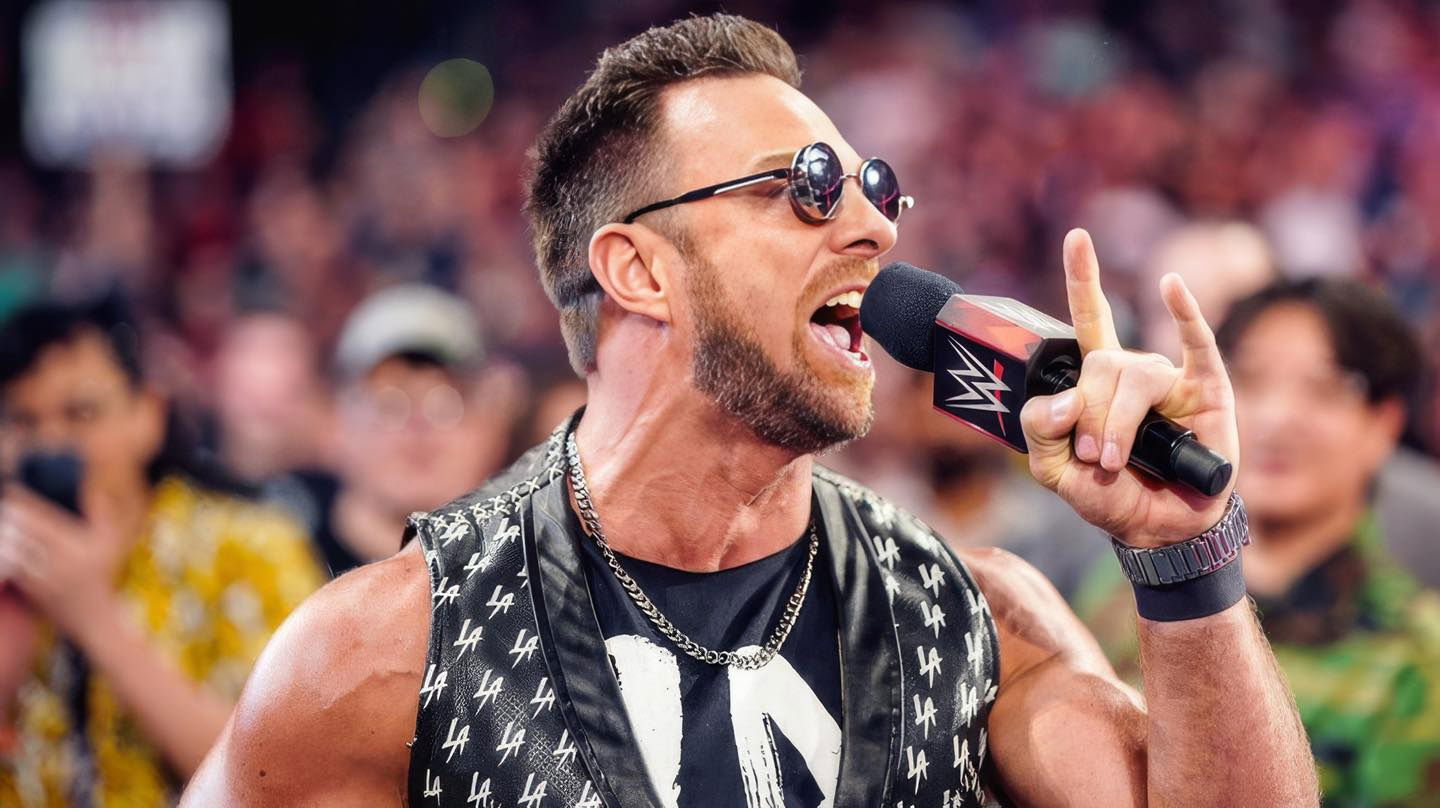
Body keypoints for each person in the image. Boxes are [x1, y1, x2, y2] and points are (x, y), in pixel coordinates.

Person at [182, 15, 1314, 807]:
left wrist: (1186, 558)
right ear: (638, 270)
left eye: (875, 188)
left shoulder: (970, 617)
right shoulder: (390, 651)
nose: (875, 229)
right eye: (807, 186)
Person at [1073, 276, 1439, 806]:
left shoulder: (1415, 656)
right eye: (1248, 379)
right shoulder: (1126, 586)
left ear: (1383, 423)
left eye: (1323, 388)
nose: (1275, 417)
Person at [0, 295, 326, 805]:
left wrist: (95, 617)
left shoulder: (250, 547)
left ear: (148, 414)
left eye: (81, 413)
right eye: (23, 421)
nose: (52, 445)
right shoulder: (8, 572)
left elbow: (283, 777)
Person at [264, 283, 517, 578]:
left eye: (445, 400)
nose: (418, 426)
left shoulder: (534, 575)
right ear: (336, 425)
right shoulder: (275, 572)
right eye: (390, 403)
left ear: (491, 429)